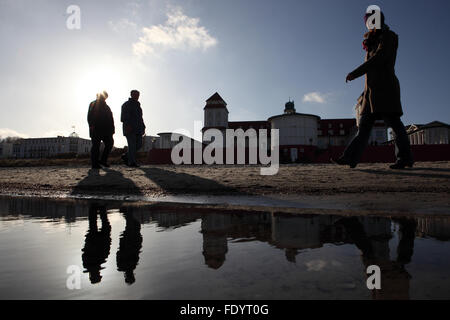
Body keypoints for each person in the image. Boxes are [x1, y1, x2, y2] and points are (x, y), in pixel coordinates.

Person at [332, 10, 414, 169]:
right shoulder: (372, 42)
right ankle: (349, 158)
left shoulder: (389, 37)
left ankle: (405, 159)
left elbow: (379, 58)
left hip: (386, 89)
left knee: (394, 124)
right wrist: (364, 93)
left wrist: (355, 73)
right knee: (363, 129)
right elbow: (371, 70)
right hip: (370, 94)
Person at [87, 91, 115, 169]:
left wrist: (112, 130)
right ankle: (95, 164)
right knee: (96, 146)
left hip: (107, 130)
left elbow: (111, 119)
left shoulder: (107, 107)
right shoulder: (93, 103)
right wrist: (91, 125)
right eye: (102, 96)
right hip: (96, 128)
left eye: (105, 96)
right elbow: (90, 115)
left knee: (110, 144)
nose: (104, 97)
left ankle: (103, 160)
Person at [121, 90, 146, 167]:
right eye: (135, 94)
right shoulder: (126, 104)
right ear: (131, 95)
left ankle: (126, 156)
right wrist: (128, 125)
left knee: (139, 145)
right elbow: (123, 117)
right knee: (132, 145)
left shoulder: (138, 107)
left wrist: (143, 126)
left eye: (138, 95)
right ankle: (132, 162)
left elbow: (140, 118)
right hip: (129, 128)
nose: (137, 96)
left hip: (138, 129)